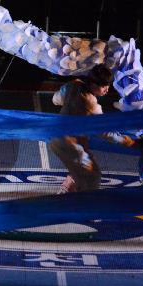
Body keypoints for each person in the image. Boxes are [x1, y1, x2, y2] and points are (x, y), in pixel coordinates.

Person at [49, 64, 114, 193]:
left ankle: (69, 190)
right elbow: (104, 132)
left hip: (56, 140)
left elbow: (55, 99)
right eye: (104, 86)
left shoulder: (72, 85)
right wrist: (132, 142)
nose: (107, 90)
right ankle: (72, 203)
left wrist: (71, 102)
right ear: (94, 84)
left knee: (79, 171)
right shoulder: (93, 106)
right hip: (71, 146)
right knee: (93, 177)